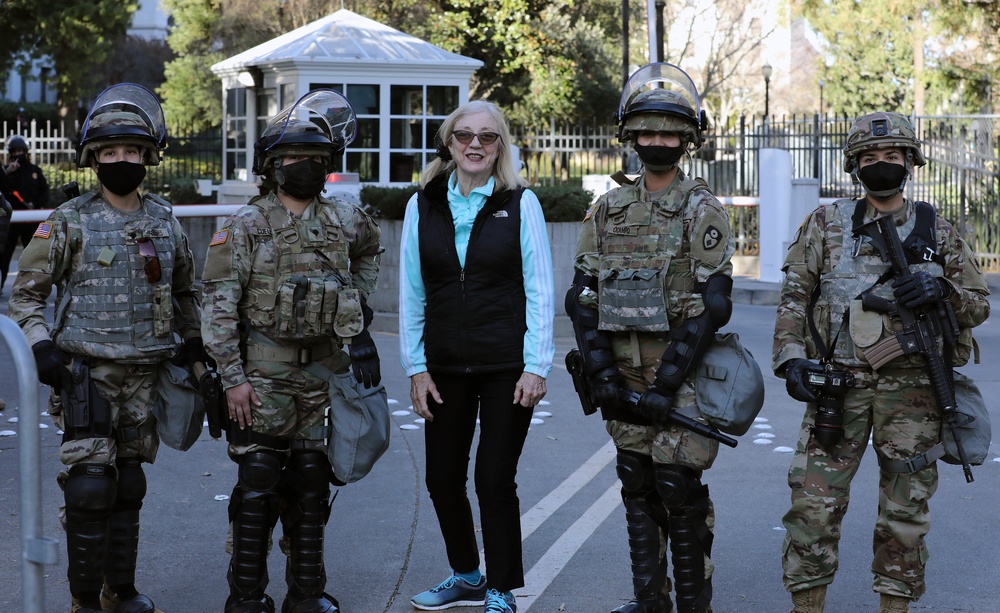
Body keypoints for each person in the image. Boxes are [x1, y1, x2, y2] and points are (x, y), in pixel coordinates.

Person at [773, 112, 991, 613]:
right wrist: (791, 360)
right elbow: (794, 296)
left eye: (892, 156)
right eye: (870, 158)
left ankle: (895, 606)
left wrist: (943, 289)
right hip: (838, 387)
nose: (882, 165)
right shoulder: (826, 224)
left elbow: (978, 305)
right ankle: (806, 606)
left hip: (913, 395)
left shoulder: (938, 229)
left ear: (910, 162)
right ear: (855, 167)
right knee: (812, 506)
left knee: (904, 511)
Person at [7, 83, 203, 613]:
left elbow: (187, 291)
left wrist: (194, 342)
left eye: (133, 151)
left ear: (148, 157)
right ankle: (84, 600)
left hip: (146, 373)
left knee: (130, 484)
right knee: (91, 488)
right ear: (94, 158)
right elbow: (25, 296)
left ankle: (122, 589)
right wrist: (41, 347)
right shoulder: (69, 220)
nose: (123, 160)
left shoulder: (163, 219)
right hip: (84, 374)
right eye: (112, 152)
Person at [201, 89, 382, 613]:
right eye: (295, 159)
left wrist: (359, 302)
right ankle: (247, 596)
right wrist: (232, 377)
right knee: (258, 482)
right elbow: (217, 308)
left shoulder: (345, 219)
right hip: (261, 376)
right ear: (273, 167)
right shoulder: (246, 226)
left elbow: (371, 253)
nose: (306, 167)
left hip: (323, 375)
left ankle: (306, 595)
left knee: (310, 484)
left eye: (317, 160)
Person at [567, 63, 736, 613]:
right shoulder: (608, 207)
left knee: (677, 489)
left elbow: (713, 306)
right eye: (647, 131)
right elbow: (583, 296)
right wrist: (602, 374)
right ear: (630, 137)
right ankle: (649, 601)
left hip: (680, 376)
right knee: (635, 481)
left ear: (686, 139)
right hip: (620, 367)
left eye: (668, 132)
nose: (657, 141)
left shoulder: (701, 208)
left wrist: (667, 382)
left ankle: (693, 604)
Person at [399, 99, 555, 613]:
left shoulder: (520, 202)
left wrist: (537, 365)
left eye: (487, 137)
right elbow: (412, 292)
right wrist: (415, 368)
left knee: (493, 478)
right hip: (444, 366)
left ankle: (501, 588)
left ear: (500, 147)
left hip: (507, 366)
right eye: (464, 135)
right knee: (442, 477)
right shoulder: (421, 204)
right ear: (449, 143)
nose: (474, 145)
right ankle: (466, 574)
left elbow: (540, 289)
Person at [0, 133, 49, 292]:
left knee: (33, 257)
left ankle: (33, 287)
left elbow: (45, 192)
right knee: (4, 256)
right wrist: (8, 171)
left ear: (26, 152)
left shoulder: (35, 171)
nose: (17, 154)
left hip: (30, 222)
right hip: (11, 223)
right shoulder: (6, 173)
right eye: (14, 151)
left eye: (20, 151)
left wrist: (35, 204)